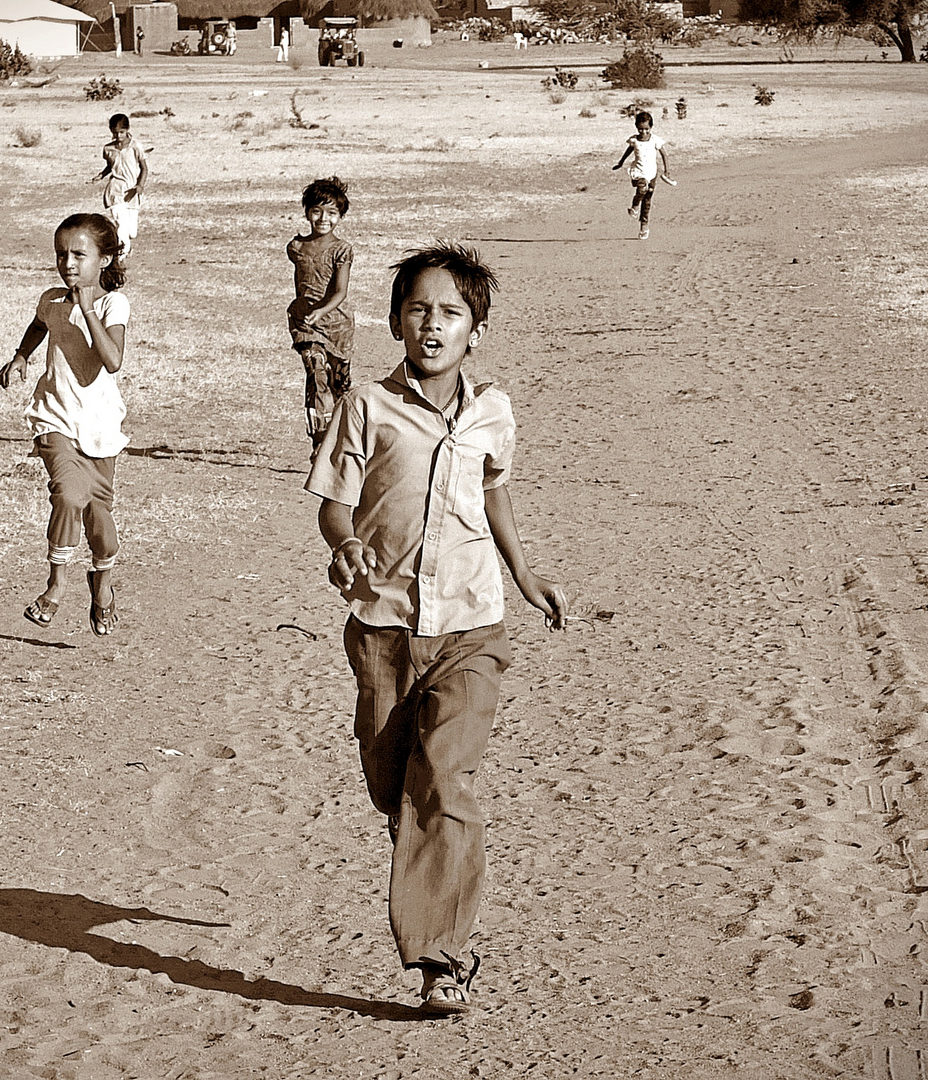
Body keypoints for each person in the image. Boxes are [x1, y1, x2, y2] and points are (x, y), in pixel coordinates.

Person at [306, 243, 568, 1015]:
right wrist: (346, 544)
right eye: (418, 308)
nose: (432, 324)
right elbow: (333, 502)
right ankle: (428, 871)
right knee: (394, 790)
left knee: (444, 781)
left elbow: (495, 496)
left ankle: (440, 961)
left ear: (475, 331)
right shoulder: (367, 407)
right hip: (384, 628)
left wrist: (525, 575)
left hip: (471, 628)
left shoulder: (494, 410)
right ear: (394, 320)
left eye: (450, 312)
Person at [0, 214, 130, 635]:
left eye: (79, 254)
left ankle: (102, 583)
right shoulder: (52, 300)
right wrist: (21, 357)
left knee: (101, 522)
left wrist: (87, 309)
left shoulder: (112, 305)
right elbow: (41, 323)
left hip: (100, 428)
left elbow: (113, 360)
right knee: (68, 494)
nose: (68, 263)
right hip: (54, 417)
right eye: (61, 253)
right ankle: (55, 584)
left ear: (104, 260)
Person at [286, 177, 355, 453]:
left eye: (331, 213)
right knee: (317, 377)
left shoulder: (342, 250)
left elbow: (340, 292)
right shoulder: (296, 248)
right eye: (317, 211)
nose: (323, 218)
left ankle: (345, 439)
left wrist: (321, 311)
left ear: (340, 216)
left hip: (337, 326)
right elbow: (302, 284)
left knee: (340, 387)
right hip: (306, 325)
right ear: (307, 212)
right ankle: (319, 443)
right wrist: (306, 313)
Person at [88, 113, 149, 263]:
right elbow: (110, 166)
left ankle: (124, 244)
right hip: (115, 190)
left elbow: (144, 168)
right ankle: (121, 254)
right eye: (115, 133)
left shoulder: (136, 146)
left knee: (131, 232)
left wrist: (140, 185)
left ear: (127, 130)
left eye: (121, 132)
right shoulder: (108, 149)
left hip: (132, 192)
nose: (118, 136)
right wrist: (101, 175)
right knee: (121, 223)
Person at [612, 110, 673, 241]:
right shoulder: (634, 140)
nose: (643, 132)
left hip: (652, 172)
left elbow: (664, 155)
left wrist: (667, 171)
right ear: (636, 127)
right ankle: (634, 205)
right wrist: (621, 163)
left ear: (651, 127)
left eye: (646, 129)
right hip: (638, 171)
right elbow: (629, 150)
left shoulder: (655, 140)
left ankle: (644, 226)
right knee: (642, 187)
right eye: (640, 129)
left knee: (647, 199)